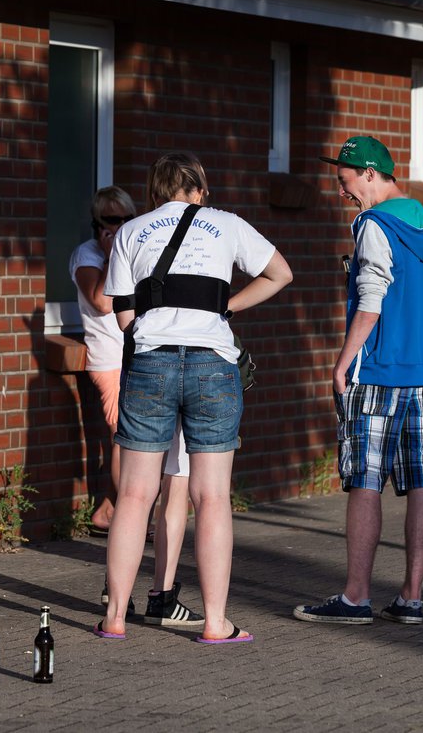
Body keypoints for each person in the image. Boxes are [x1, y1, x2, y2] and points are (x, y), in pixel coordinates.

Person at [95, 152, 292, 643]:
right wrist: (227, 305)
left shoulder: (130, 232)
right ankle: (215, 622)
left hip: (151, 362)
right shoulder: (227, 225)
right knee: (211, 498)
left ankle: (116, 616)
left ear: (155, 192)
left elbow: (122, 314)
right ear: (200, 190)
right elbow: (280, 274)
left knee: (136, 495)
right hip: (212, 363)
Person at [294, 135, 423, 627]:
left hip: (378, 370)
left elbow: (371, 296)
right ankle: (411, 597)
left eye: (346, 181)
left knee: (365, 480)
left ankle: (355, 598)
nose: (343, 192)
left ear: (370, 173)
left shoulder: (372, 223)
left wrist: (343, 361)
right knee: (421, 480)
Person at [70, 186, 203, 628]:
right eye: (107, 221)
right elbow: (104, 301)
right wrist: (115, 251)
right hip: (118, 363)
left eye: (123, 218)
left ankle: (139, 574)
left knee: (165, 474)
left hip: (152, 362)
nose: (116, 227)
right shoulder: (90, 255)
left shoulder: (142, 240)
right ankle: (122, 578)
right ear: (96, 225)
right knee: (132, 466)